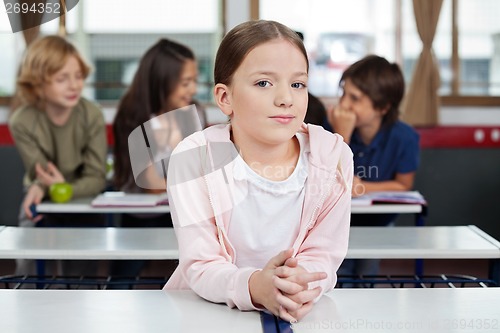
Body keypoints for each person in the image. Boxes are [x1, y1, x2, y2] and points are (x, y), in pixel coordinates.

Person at [163, 20, 353, 323]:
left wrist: (298, 284)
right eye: (264, 83)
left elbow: (323, 255)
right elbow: (201, 263)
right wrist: (254, 287)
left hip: (297, 314)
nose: (285, 98)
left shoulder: (333, 156)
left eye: (297, 84)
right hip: (204, 314)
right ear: (225, 98)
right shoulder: (194, 158)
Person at [8, 35, 107, 277]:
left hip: (83, 199)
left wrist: (63, 188)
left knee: (82, 278)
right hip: (42, 196)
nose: (74, 85)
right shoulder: (22, 121)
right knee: (28, 270)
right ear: (37, 84)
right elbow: (42, 174)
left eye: (78, 76)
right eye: (62, 78)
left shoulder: (92, 114)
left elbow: (96, 179)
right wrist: (44, 187)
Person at [110, 38, 203, 283]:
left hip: (181, 210)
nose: (193, 89)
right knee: (126, 273)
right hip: (142, 213)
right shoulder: (133, 115)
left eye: (194, 80)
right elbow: (150, 182)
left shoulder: (194, 112)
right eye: (185, 82)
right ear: (162, 81)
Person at [326, 55, 420, 282]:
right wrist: (343, 136)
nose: (344, 104)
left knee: (367, 274)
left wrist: (363, 186)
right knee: (338, 275)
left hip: (379, 221)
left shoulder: (404, 137)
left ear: (383, 107)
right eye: (343, 94)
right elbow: (325, 179)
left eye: (355, 98)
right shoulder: (333, 129)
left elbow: (404, 185)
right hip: (337, 221)